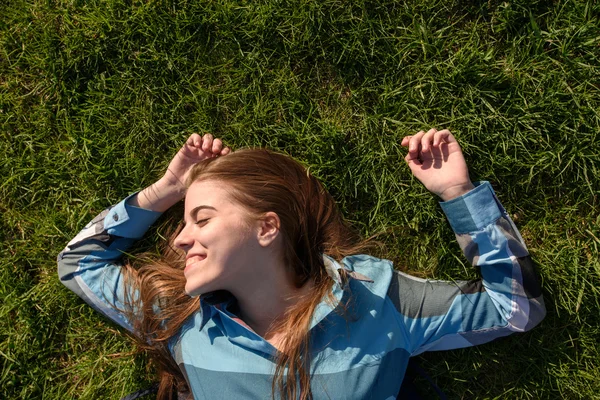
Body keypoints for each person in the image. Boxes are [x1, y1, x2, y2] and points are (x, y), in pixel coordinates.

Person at [58, 129, 546, 400]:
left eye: (200, 218)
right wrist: (164, 191)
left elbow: (516, 308)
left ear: (267, 228)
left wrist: (458, 195)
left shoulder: (379, 300)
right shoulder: (181, 318)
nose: (180, 239)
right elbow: (77, 262)